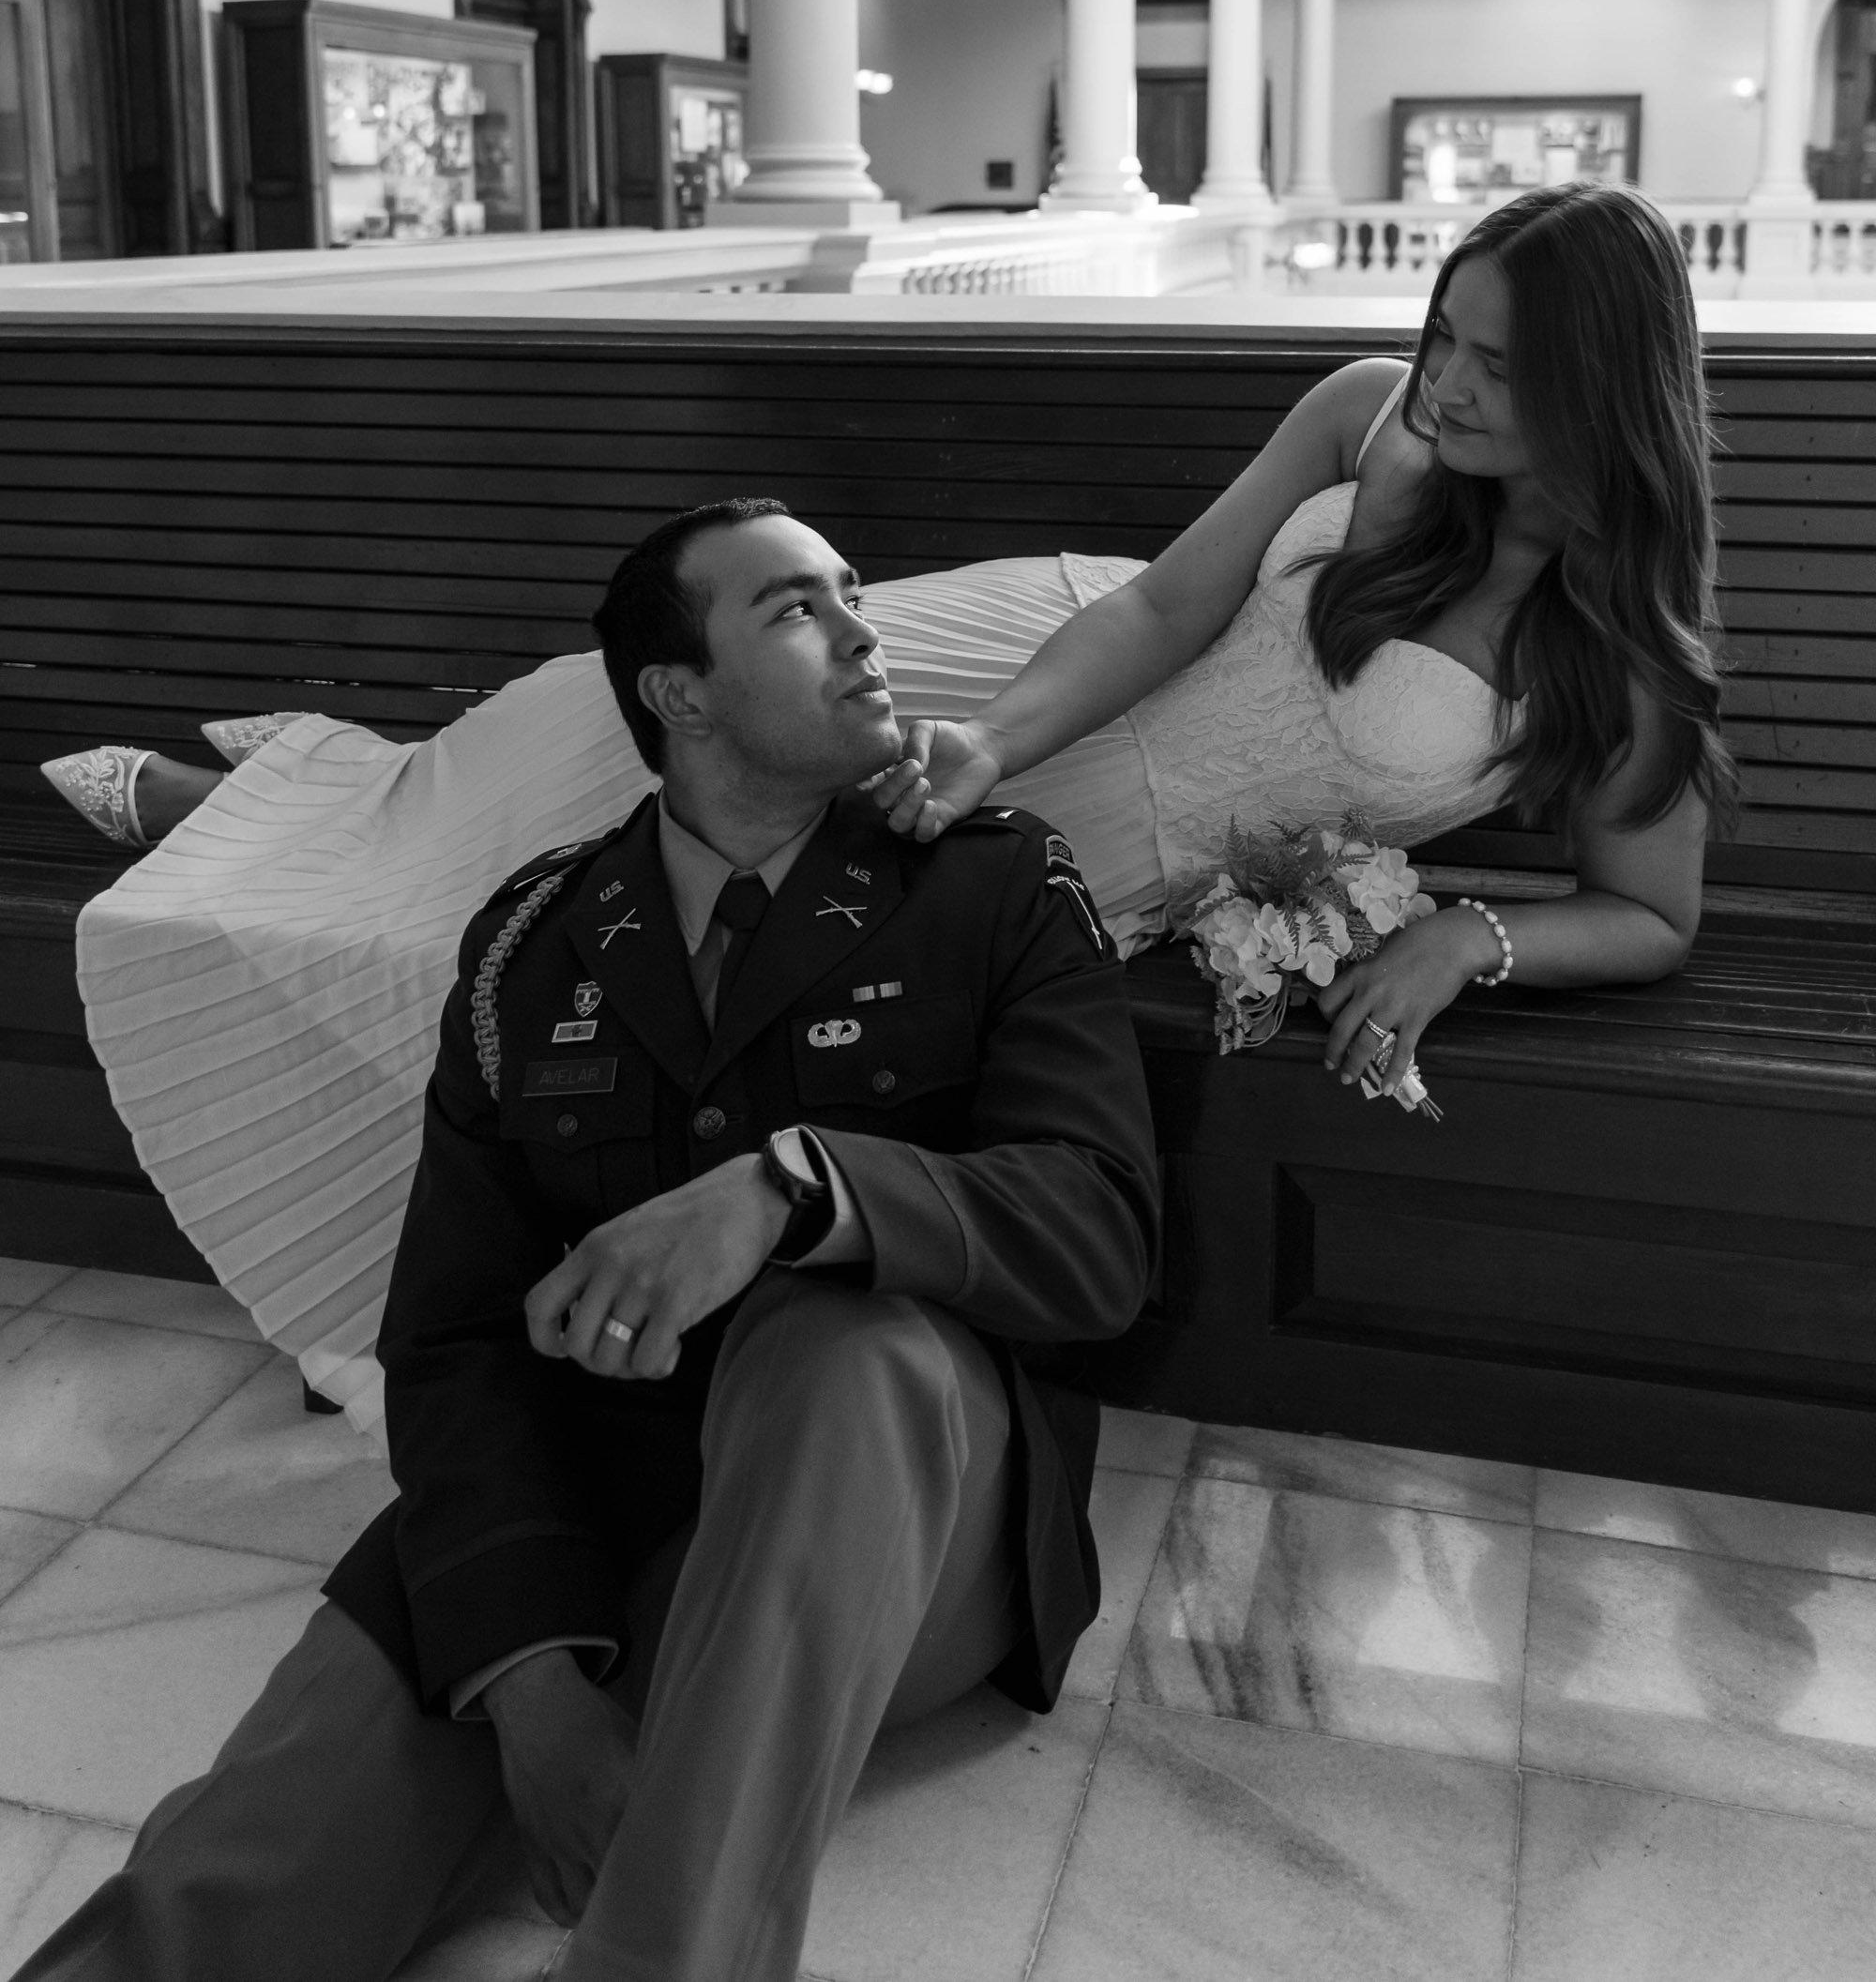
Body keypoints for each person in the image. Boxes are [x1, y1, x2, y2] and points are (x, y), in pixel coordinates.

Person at [45, 180, 1731, 1426]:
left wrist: (1466, 937)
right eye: (1448, 327)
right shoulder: (1369, 419)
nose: (1445, 376)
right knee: (595, 721)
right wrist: (988, 737)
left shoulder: (1623, 642)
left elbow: (1653, 913)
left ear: (1600, 385)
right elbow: (1162, 607)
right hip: (1028, 668)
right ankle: (281, 799)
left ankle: (313, 837)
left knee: (668, 909)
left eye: (1498, 366)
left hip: (1118, 850)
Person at [15, 500, 1159, 1982]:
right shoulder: (532, 945)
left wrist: (788, 1192)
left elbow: (1101, 1230)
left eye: (852, 594)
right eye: (798, 610)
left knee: (845, 1341)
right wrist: (533, 1682)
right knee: (242, 1874)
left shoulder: (995, 885)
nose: (866, 634)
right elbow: (456, 1335)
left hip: (910, 1529)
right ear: (678, 694)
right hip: (603, 1515)